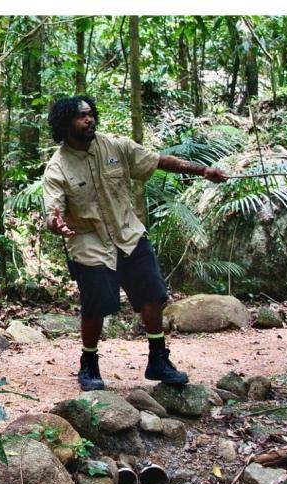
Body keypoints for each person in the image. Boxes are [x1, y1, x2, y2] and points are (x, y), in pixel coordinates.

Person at [42, 95, 228, 392]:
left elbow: (158, 161)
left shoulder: (115, 146)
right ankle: (89, 364)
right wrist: (57, 223)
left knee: (152, 296)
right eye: (81, 117)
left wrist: (203, 171)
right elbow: (52, 210)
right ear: (65, 124)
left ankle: (158, 359)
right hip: (90, 242)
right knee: (96, 306)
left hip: (128, 234)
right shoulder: (57, 167)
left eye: (91, 114)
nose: (89, 120)